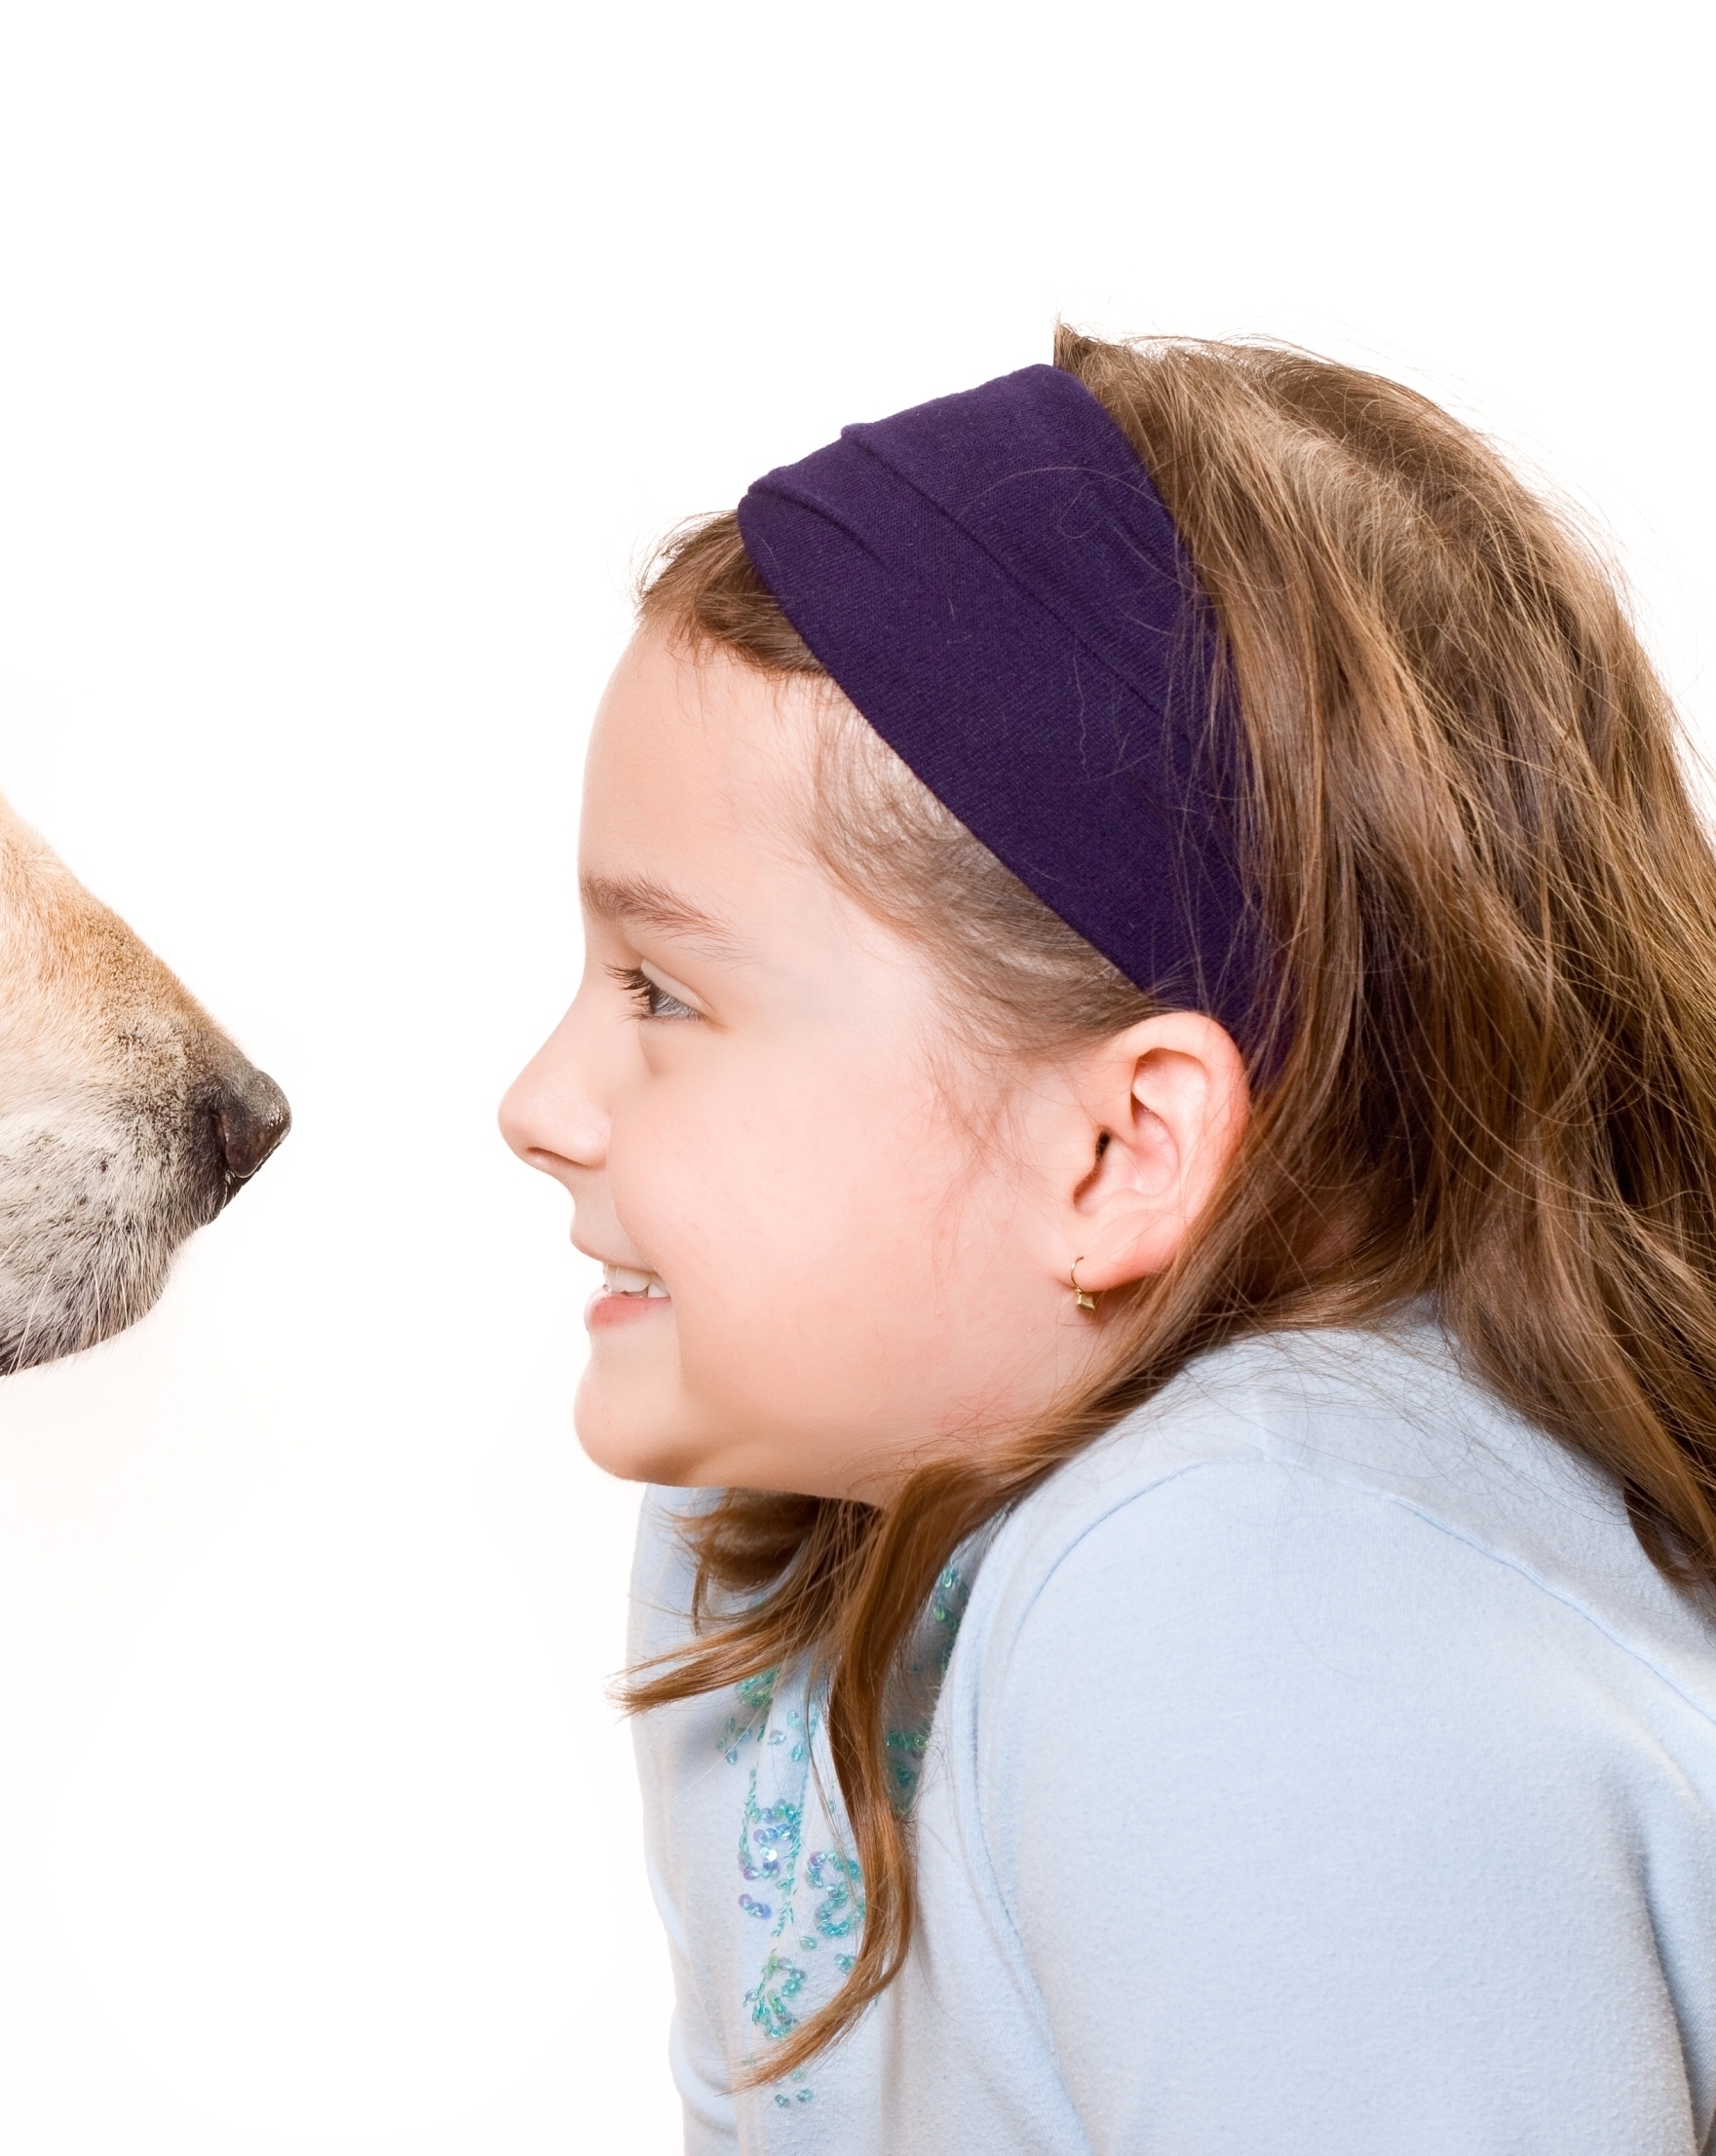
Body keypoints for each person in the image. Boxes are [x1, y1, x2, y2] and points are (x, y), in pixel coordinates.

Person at [497, 330, 1716, 2151]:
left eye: (665, 991)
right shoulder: (773, 1530)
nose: (536, 1100)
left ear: (1119, 1148)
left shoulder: (1249, 1598)